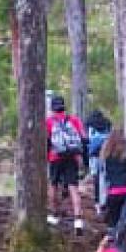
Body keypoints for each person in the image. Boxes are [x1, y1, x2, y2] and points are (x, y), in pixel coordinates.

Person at [46, 95, 87, 234]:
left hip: (55, 157)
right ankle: (78, 221)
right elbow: (83, 138)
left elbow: (46, 141)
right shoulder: (74, 120)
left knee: (53, 185)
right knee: (73, 188)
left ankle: (53, 215)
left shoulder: (49, 121)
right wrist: (82, 158)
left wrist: (47, 157)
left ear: (52, 108)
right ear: (64, 106)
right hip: (72, 157)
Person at [96, 130, 126, 232]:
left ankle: (113, 242)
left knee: (113, 223)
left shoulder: (105, 156)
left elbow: (102, 178)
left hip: (112, 192)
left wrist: (101, 201)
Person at [84, 110, 112, 207]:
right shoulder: (107, 122)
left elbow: (86, 138)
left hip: (94, 153)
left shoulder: (88, 122)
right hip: (106, 152)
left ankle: (97, 200)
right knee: (105, 176)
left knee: (96, 176)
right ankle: (106, 199)